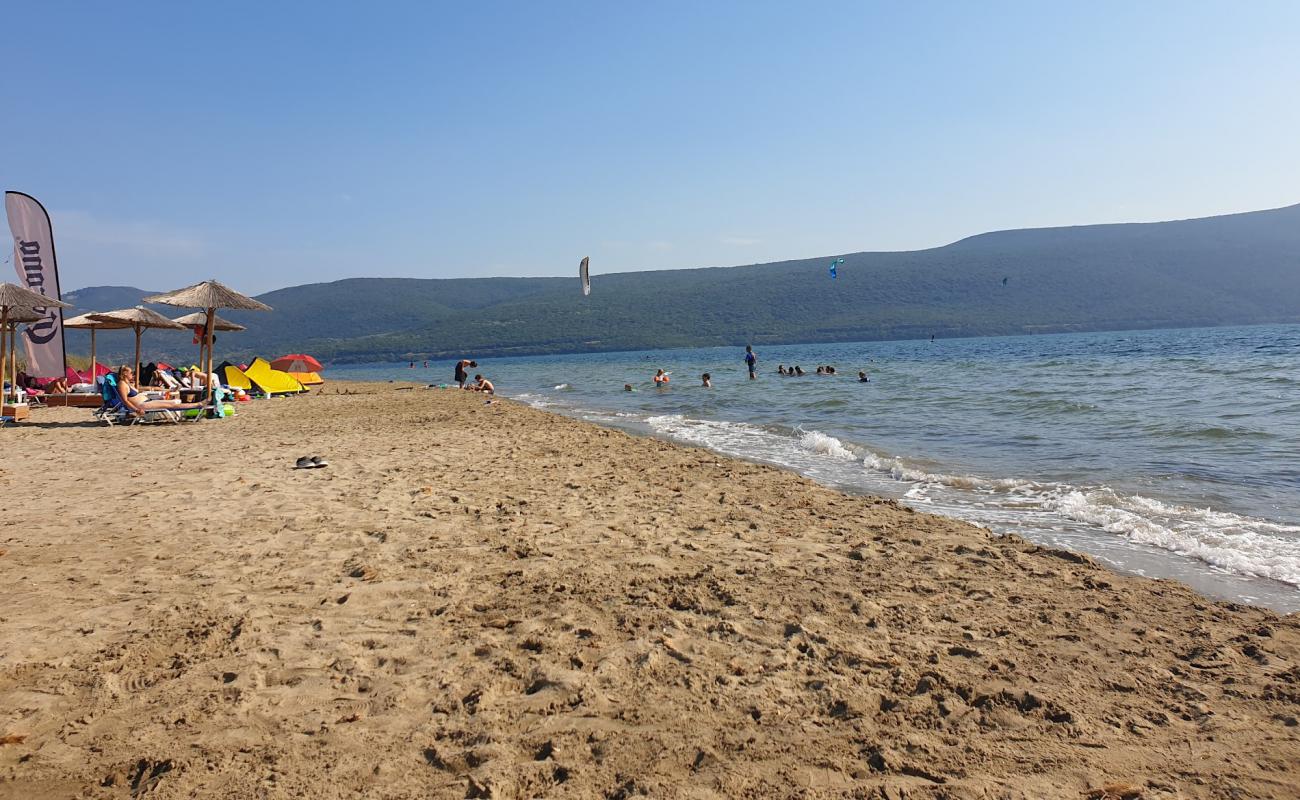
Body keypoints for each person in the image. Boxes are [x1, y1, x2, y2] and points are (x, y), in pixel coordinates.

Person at [116, 366, 203, 416]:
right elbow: (125, 400)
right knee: (173, 404)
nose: (133, 374)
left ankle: (198, 405)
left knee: (173, 402)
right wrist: (136, 410)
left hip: (146, 401)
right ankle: (198, 404)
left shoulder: (127, 383)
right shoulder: (122, 384)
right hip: (142, 405)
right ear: (125, 373)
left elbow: (138, 390)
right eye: (131, 373)